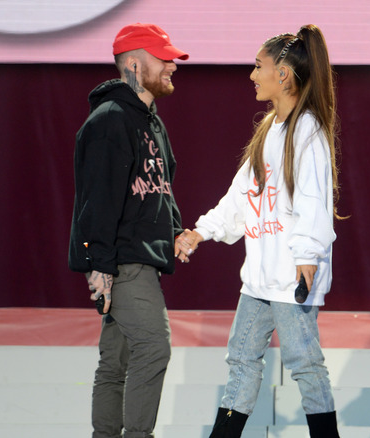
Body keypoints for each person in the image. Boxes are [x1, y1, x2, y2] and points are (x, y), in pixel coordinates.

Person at [175, 24, 343, 438]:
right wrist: (203, 231)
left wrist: (307, 256)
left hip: (291, 279)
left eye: (258, 66)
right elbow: (241, 195)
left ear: (283, 73)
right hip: (259, 280)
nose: (252, 75)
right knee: (242, 359)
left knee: (305, 364)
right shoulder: (269, 130)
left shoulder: (308, 132)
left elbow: (313, 199)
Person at [68, 23, 188, 438]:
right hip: (123, 261)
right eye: (164, 58)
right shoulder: (110, 120)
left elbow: (161, 188)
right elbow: (96, 200)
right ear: (135, 65)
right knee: (154, 348)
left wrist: (174, 231)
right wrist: (98, 265)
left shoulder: (150, 122)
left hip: (140, 260)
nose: (172, 65)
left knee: (116, 363)